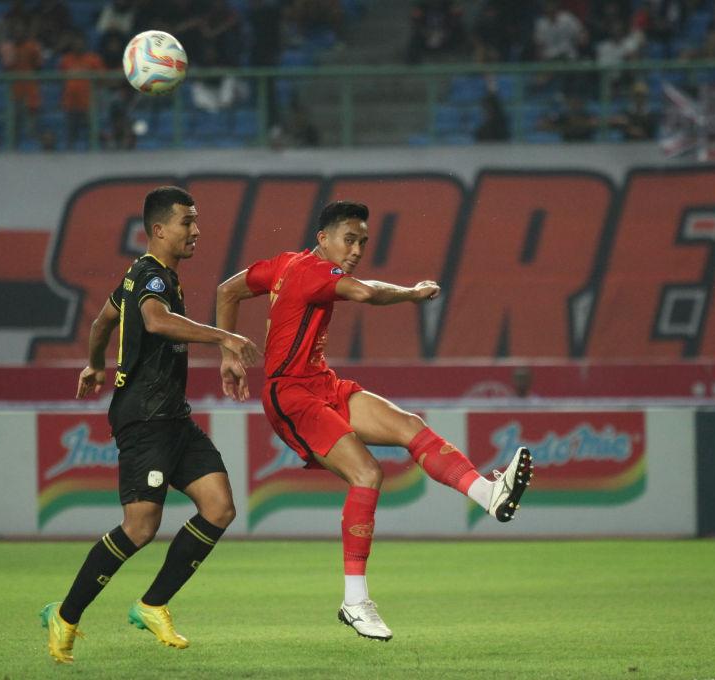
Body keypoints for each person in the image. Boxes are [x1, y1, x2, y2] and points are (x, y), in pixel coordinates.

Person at [214, 200, 533, 641]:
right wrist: (415, 293)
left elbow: (226, 291)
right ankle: (355, 600)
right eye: (350, 239)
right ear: (323, 238)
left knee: (409, 427)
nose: (358, 248)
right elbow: (365, 292)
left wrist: (229, 353)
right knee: (367, 473)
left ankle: (488, 494)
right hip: (290, 393)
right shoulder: (313, 272)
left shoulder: (285, 263)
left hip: (321, 382)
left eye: (363, 241)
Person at [41, 186, 261, 664]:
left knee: (219, 507)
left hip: (172, 418)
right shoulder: (150, 279)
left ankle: (152, 603)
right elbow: (157, 322)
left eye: (196, 221)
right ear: (159, 229)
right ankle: (67, 614)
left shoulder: (149, 278)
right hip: (144, 418)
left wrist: (94, 365)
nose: (196, 230)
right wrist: (226, 337)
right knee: (140, 527)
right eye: (187, 221)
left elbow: (102, 322)